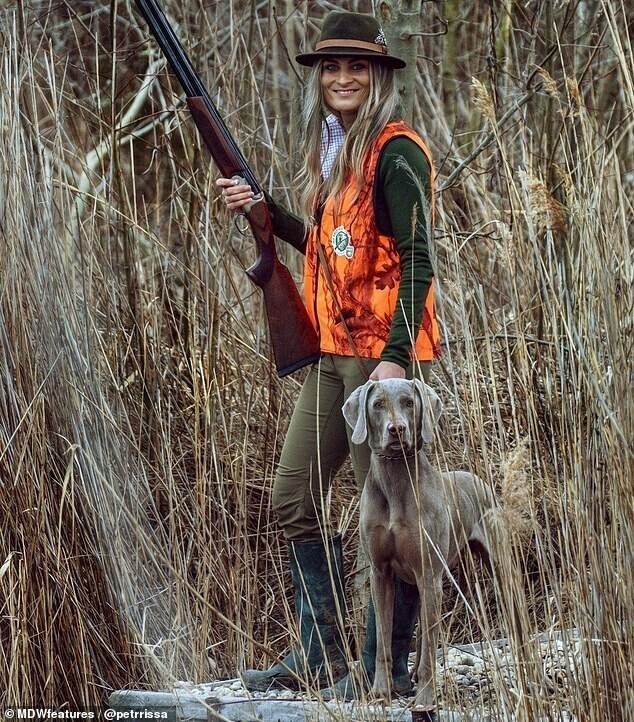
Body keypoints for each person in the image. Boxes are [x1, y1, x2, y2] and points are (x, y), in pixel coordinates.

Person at [216, 9, 441, 704]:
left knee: (397, 512)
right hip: (333, 356)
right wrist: (264, 213)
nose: (342, 77)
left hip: (382, 369)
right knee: (292, 496)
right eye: (331, 67)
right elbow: (326, 247)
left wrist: (398, 359)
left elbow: (419, 260)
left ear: (377, 76)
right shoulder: (336, 151)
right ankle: (319, 652)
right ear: (321, 79)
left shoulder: (396, 153)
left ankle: (389, 667)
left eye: (357, 67)